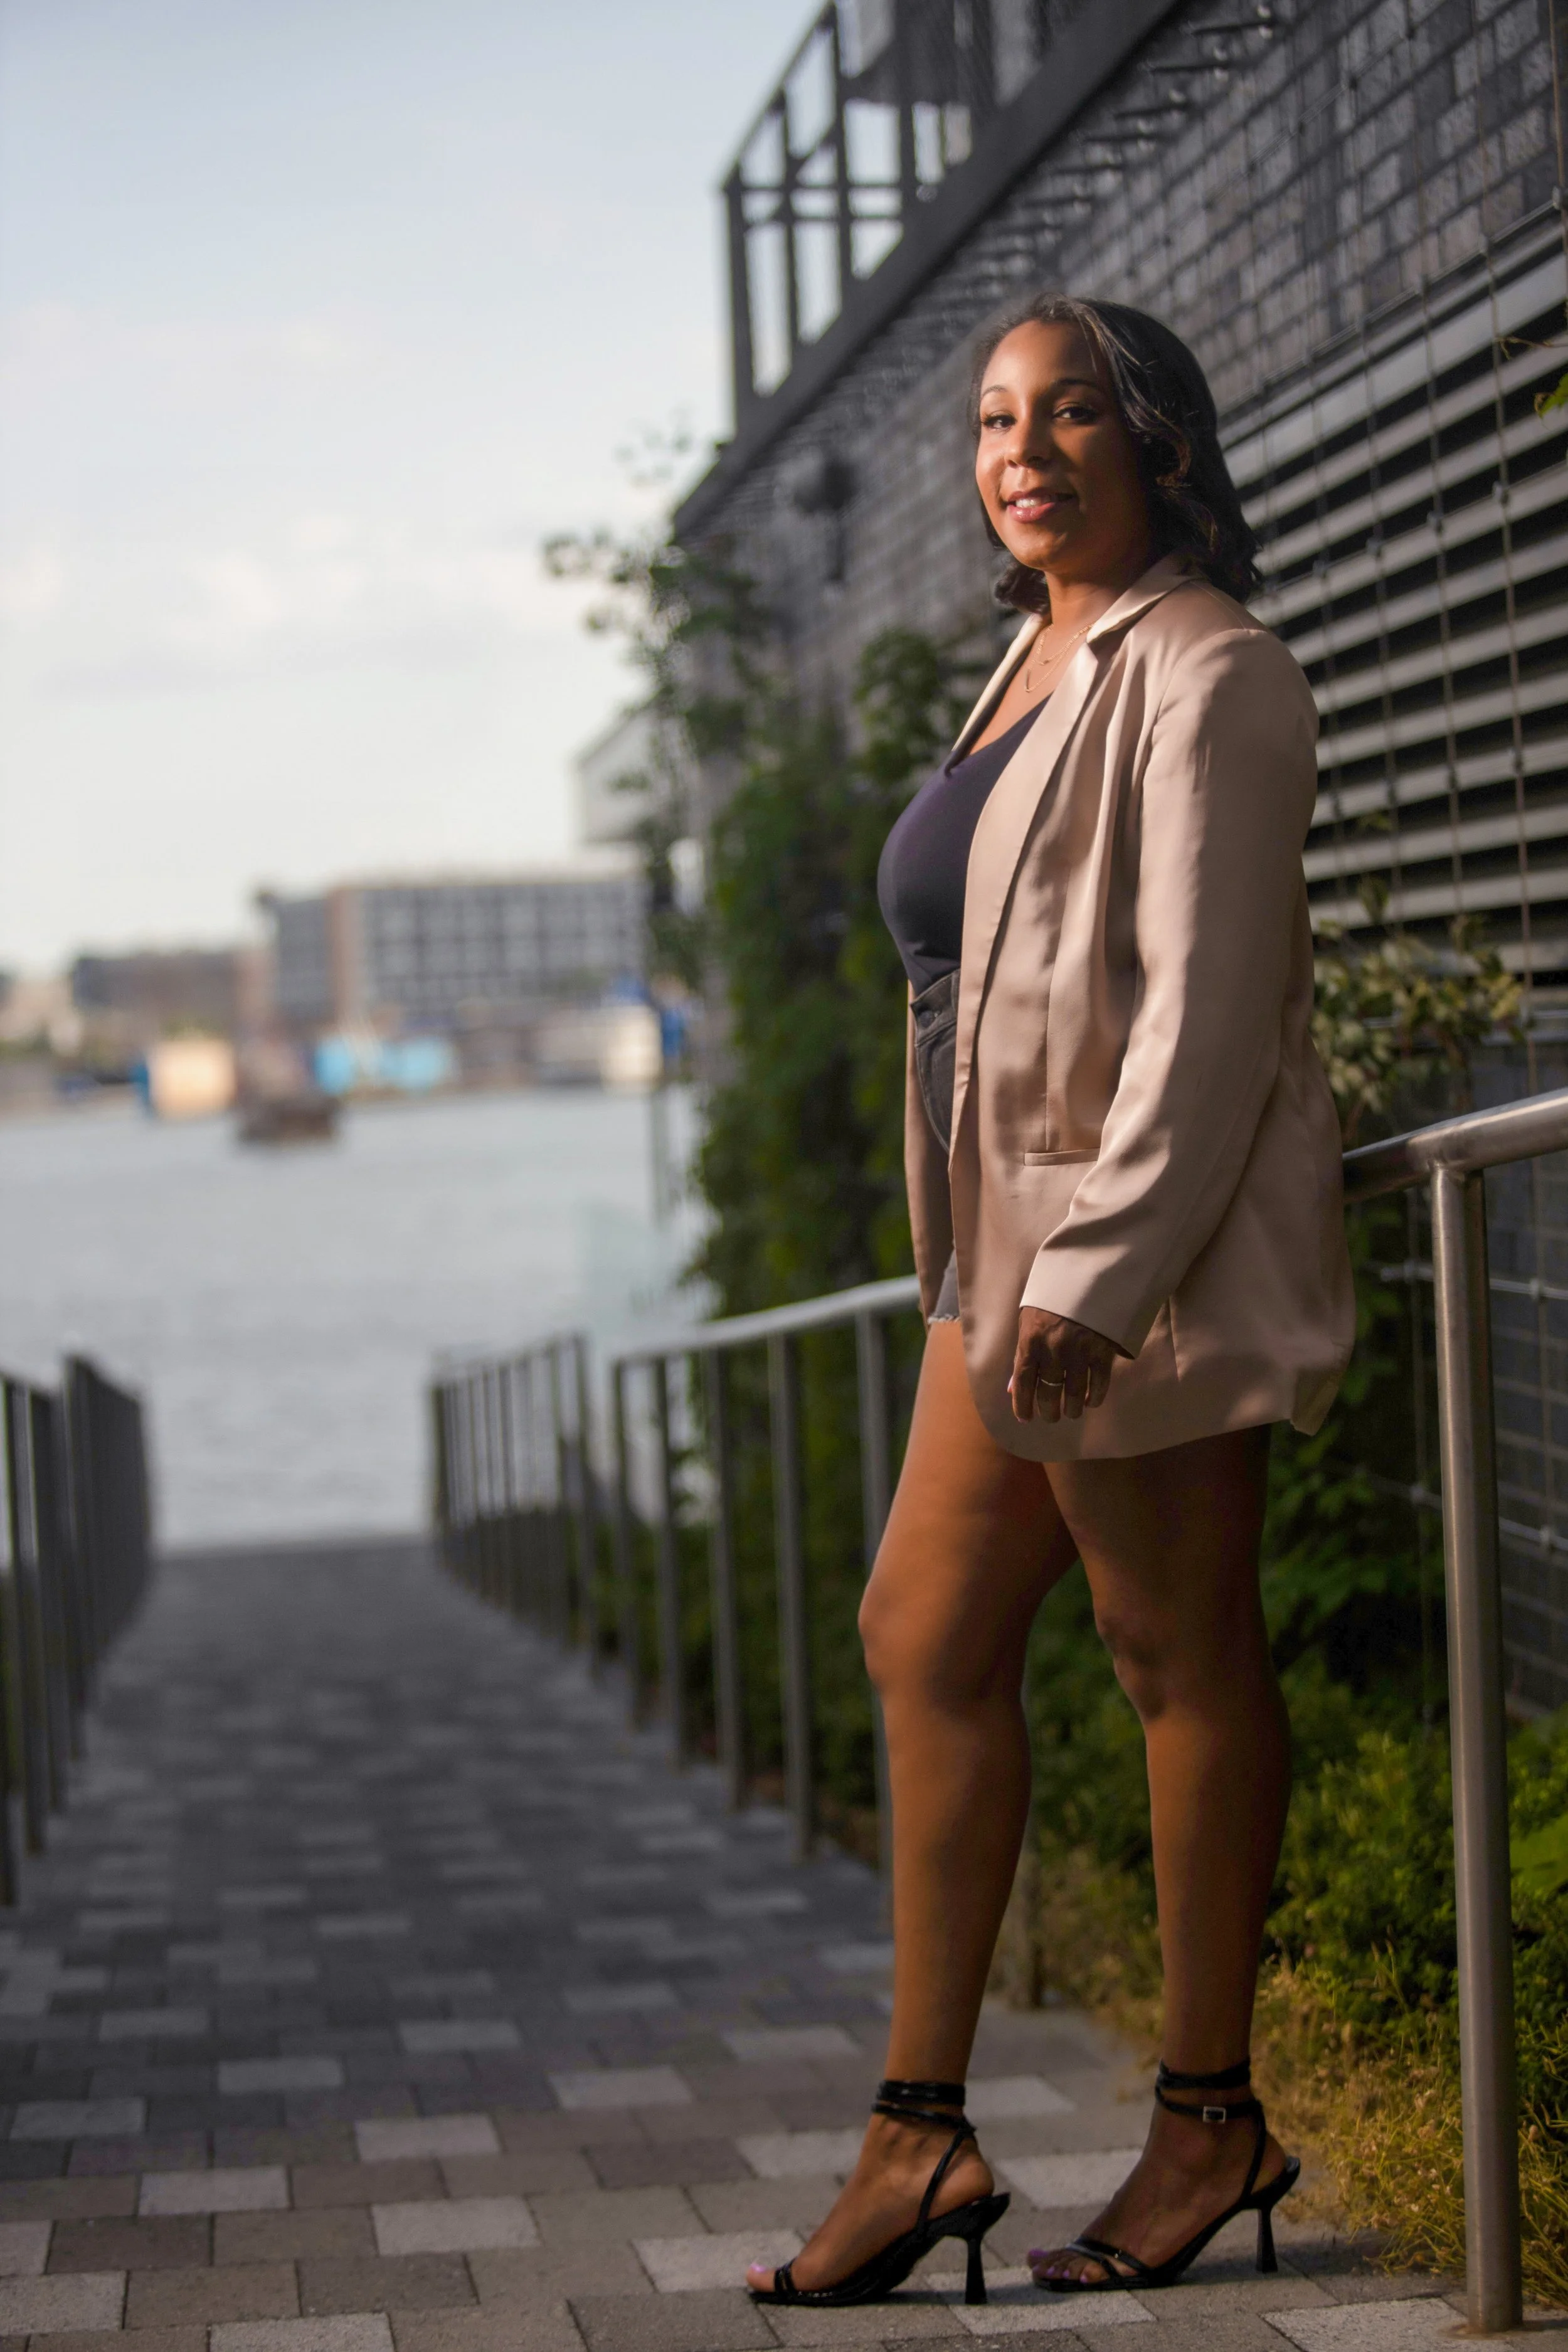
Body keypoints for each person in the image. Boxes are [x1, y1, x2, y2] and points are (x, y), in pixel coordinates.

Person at [745, 294, 1354, 2310]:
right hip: (986, 1266)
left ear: (1156, 437)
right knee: (918, 1630)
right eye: (997, 420)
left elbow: (1204, 1017)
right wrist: (983, 1264)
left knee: (1172, 1652)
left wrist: (1091, 1272)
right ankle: (920, 2135)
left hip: (1118, 1267)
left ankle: (1207, 2116)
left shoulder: (1212, 670)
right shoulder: (1034, 654)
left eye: (1069, 409)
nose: (1023, 448)